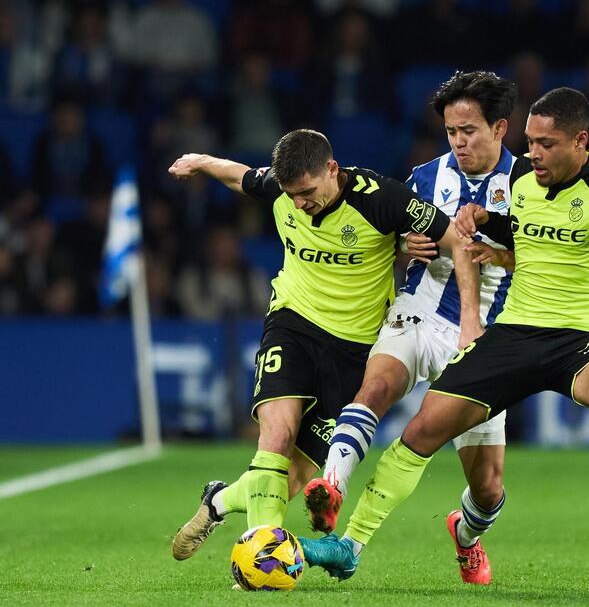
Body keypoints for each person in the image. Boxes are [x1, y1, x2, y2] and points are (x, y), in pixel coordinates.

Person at [299, 87, 589, 586]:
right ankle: (348, 546)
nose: (533, 154)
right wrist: (488, 221)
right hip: (516, 330)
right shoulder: (522, 178)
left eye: (546, 144)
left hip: (585, 331)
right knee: (421, 430)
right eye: (530, 142)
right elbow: (522, 227)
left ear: (580, 141)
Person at [168, 129, 468, 561]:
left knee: (292, 480)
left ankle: (217, 501)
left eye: (307, 192)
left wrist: (410, 244)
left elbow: (454, 237)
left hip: (354, 349)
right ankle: (262, 564)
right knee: (275, 435)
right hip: (293, 324)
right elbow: (241, 177)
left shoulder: (382, 198)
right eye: (291, 195)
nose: (299, 203)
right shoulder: (283, 190)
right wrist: (200, 159)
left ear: (332, 169)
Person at [302, 70, 517, 585]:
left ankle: (465, 534)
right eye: (450, 132)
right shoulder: (424, 177)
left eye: (469, 130)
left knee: (487, 488)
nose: (459, 141)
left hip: (484, 334)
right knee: (376, 387)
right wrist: (405, 247)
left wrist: (502, 254)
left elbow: (550, 258)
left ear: (500, 127)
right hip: (418, 309)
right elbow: (391, 235)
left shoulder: (531, 183)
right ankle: (334, 495)